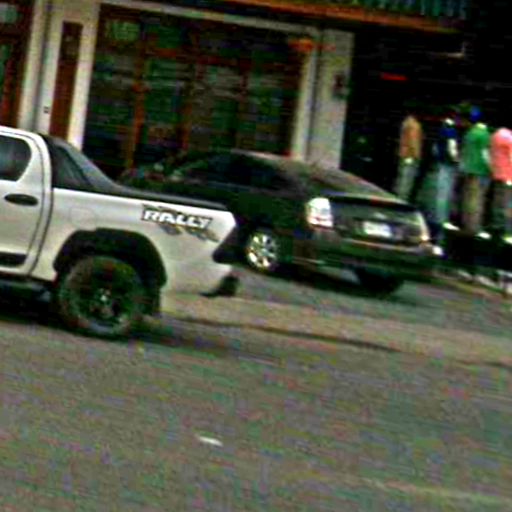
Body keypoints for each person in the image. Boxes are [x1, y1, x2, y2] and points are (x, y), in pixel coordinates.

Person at [394, 110, 423, 201]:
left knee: (401, 178)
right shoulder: (414, 125)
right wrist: (418, 156)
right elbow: (414, 142)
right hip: (410, 156)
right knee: (407, 180)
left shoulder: (405, 123)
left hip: (403, 154)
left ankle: (398, 198)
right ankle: (403, 199)